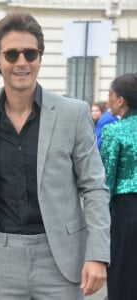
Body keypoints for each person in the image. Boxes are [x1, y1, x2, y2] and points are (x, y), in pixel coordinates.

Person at [0, 12, 110, 300]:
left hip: (59, 257)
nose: (22, 62)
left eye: (30, 53)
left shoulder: (74, 112)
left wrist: (97, 254)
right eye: (12, 54)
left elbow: (94, 187)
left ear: (40, 57)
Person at [100, 73, 137, 300]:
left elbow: (106, 179)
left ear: (120, 100)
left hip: (127, 211)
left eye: (110, 95)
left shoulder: (114, 131)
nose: (107, 100)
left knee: (123, 274)